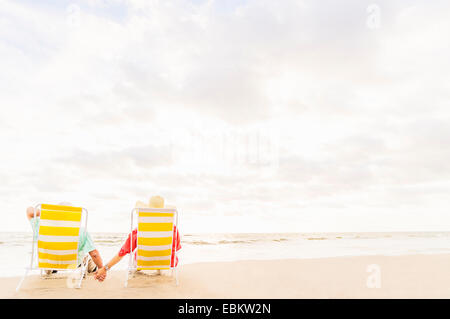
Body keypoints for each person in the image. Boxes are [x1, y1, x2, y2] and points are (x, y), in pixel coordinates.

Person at [95, 196, 181, 282]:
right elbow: (176, 248)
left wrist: (105, 268)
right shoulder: (173, 230)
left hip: (144, 262)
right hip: (168, 263)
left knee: (137, 253)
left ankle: (135, 272)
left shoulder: (139, 231)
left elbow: (122, 252)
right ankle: (161, 268)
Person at [26, 202, 104, 275]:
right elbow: (95, 254)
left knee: (49, 255)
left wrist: (50, 212)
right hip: (73, 263)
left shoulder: (41, 227)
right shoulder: (81, 231)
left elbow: (29, 211)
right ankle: (90, 268)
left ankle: (50, 269)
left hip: (49, 262)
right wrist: (101, 268)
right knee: (87, 257)